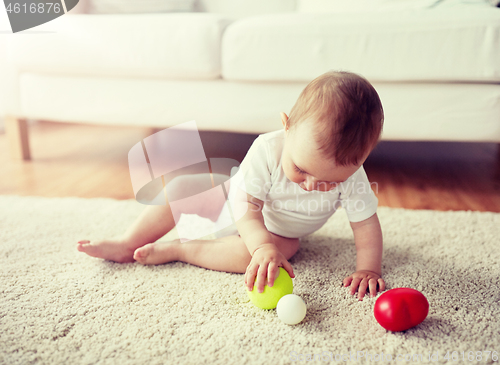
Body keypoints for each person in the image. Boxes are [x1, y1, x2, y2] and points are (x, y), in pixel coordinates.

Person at [77, 70, 386, 301]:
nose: (310, 185)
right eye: (301, 169)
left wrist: (368, 269)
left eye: (330, 181)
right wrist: (260, 244)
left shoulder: (354, 175)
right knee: (181, 188)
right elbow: (246, 206)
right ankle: (128, 242)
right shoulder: (267, 148)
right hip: (232, 200)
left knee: (264, 257)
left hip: (282, 232)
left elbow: (366, 226)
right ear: (287, 125)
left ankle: (181, 251)